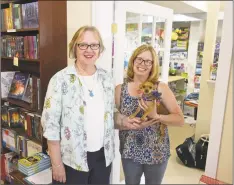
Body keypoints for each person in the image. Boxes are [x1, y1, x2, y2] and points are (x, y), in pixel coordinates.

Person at [41, 26, 115, 184]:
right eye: (83, 44)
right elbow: (51, 126)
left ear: (100, 49)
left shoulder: (106, 78)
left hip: (103, 157)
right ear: (74, 47)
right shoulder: (60, 80)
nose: (89, 50)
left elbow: (109, 115)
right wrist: (57, 164)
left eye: (94, 45)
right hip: (72, 160)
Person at [114, 44, 184, 184]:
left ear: (153, 65)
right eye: (139, 59)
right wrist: (126, 123)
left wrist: (157, 116)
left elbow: (180, 119)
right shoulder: (120, 90)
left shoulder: (160, 88)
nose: (142, 64)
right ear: (133, 61)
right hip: (129, 151)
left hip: (156, 151)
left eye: (148, 61)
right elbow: (116, 122)